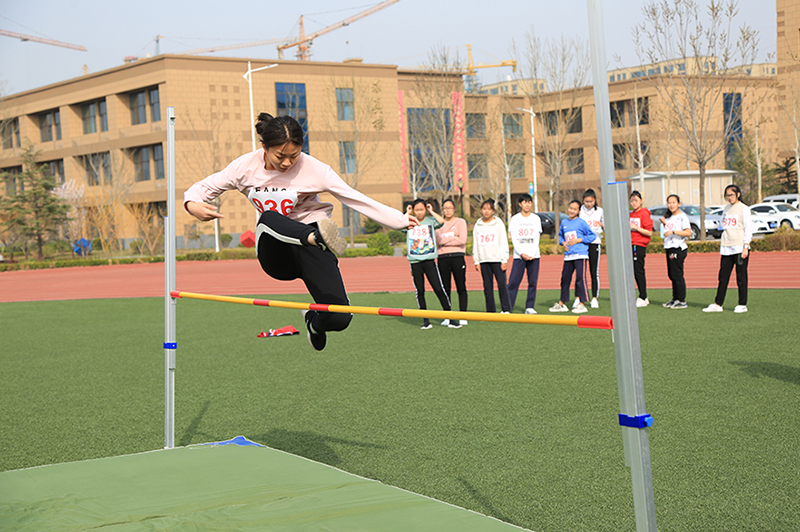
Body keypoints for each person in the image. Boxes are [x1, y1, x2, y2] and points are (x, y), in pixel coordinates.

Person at [184, 113, 417, 351]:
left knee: (340, 317)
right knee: (270, 216)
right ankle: (316, 237)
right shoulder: (244, 167)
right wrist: (193, 205)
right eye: (280, 156)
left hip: (312, 240)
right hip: (276, 249)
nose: (287, 163)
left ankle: (313, 322)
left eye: (294, 156)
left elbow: (354, 197)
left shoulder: (315, 169)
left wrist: (399, 220)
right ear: (264, 147)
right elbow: (202, 187)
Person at [406, 199, 456, 329]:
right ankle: (425, 321)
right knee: (420, 291)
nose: (419, 212)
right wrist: (408, 213)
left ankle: (450, 318)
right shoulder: (409, 222)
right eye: (417, 210)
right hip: (415, 262)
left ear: (425, 209)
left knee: (438, 288)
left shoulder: (430, 221)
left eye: (422, 209)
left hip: (429, 261)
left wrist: (431, 211)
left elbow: (441, 221)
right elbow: (398, 225)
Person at [703, 184, 753, 313]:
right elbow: (722, 223)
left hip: (739, 246)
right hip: (726, 246)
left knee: (741, 276)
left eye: (731, 195)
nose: (729, 198)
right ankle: (718, 303)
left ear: (738, 194)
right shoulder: (726, 209)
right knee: (723, 276)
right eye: (727, 196)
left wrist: (746, 246)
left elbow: (748, 228)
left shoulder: (744, 209)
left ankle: (742, 304)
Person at [549, 200, 596, 314]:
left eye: (575, 209)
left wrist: (579, 240)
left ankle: (582, 303)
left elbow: (592, 236)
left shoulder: (581, 223)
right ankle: (562, 303)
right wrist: (563, 243)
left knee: (580, 278)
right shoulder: (564, 222)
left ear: (579, 211)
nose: (572, 211)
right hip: (568, 256)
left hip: (580, 255)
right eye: (570, 208)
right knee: (565, 279)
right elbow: (561, 236)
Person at [472, 199, 512, 313]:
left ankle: (506, 309)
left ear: (493, 211)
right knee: (487, 287)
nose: (486, 211)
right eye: (484, 209)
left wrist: (504, 259)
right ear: (481, 210)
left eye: (489, 209)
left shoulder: (498, 224)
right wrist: (476, 261)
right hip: (484, 260)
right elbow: (475, 243)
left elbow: (503, 241)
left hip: (497, 259)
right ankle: (490, 311)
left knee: (502, 285)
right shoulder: (478, 225)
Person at [507, 194, 542, 314]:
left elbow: (537, 237)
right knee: (513, 282)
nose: (527, 205)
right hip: (519, 256)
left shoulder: (536, 218)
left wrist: (531, 253)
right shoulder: (515, 219)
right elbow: (514, 238)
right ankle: (508, 307)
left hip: (534, 256)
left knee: (533, 282)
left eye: (529, 202)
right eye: (524, 202)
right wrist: (521, 253)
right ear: (520, 204)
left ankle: (530, 307)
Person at [435, 198, 469, 326]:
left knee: (461, 286)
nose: (447, 211)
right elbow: (438, 241)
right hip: (442, 258)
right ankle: (447, 316)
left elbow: (462, 240)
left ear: (454, 209)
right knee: (445, 288)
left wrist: (445, 239)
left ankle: (463, 315)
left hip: (457, 256)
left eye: (450, 208)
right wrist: (453, 237)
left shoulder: (461, 222)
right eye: (445, 208)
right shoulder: (439, 224)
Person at [660, 194, 691, 309]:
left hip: (678, 247)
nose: (671, 205)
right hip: (669, 247)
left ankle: (681, 300)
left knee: (677, 274)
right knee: (671, 274)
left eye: (674, 202)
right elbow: (667, 231)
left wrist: (673, 232)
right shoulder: (668, 217)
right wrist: (664, 223)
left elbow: (688, 232)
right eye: (669, 203)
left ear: (679, 204)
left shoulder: (682, 216)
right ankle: (675, 298)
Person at [576, 189, 604, 309]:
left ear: (595, 200)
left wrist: (602, 225)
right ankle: (578, 297)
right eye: (586, 201)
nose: (588, 204)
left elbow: (606, 226)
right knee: (580, 272)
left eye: (591, 201)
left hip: (595, 242)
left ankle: (594, 298)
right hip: (581, 243)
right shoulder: (580, 211)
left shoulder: (600, 211)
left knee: (594, 271)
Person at [629, 190, 653, 308]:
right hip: (630, 244)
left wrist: (636, 228)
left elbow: (649, 232)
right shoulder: (631, 214)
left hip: (638, 245)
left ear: (641, 201)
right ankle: (640, 295)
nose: (633, 203)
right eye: (632, 201)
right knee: (633, 271)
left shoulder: (644, 213)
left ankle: (643, 296)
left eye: (636, 200)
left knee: (638, 270)